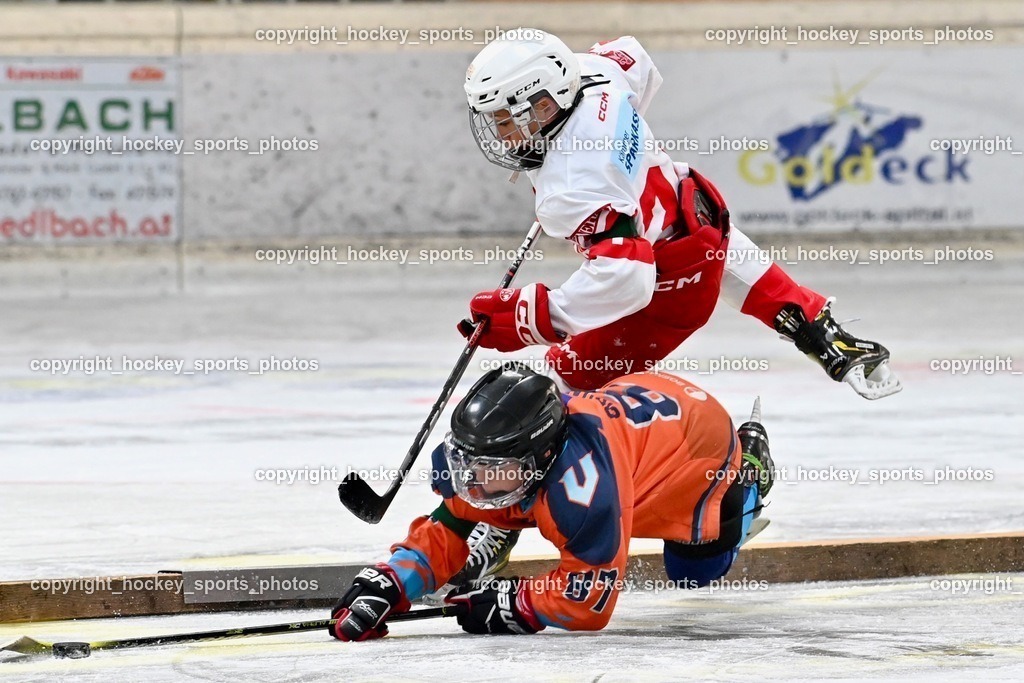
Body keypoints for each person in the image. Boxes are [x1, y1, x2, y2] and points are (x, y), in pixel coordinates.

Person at [453, 30, 901, 581]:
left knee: (554, 391)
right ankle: (813, 325)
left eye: (506, 118)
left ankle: (503, 524)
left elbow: (628, 280)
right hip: (691, 210)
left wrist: (532, 316)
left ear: (544, 104)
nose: (499, 134)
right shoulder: (596, 73)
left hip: (667, 280)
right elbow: (635, 57)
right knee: (696, 249)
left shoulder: (576, 183)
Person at [329, 363, 773, 639]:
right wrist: (392, 581)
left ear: (540, 458)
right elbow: (448, 525)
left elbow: (589, 602)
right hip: (644, 408)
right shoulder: (494, 463)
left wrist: (519, 603)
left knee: (692, 574)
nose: (473, 483)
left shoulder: (585, 489)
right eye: (468, 462)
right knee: (503, 499)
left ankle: (750, 465)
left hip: (699, 447)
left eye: (491, 468)